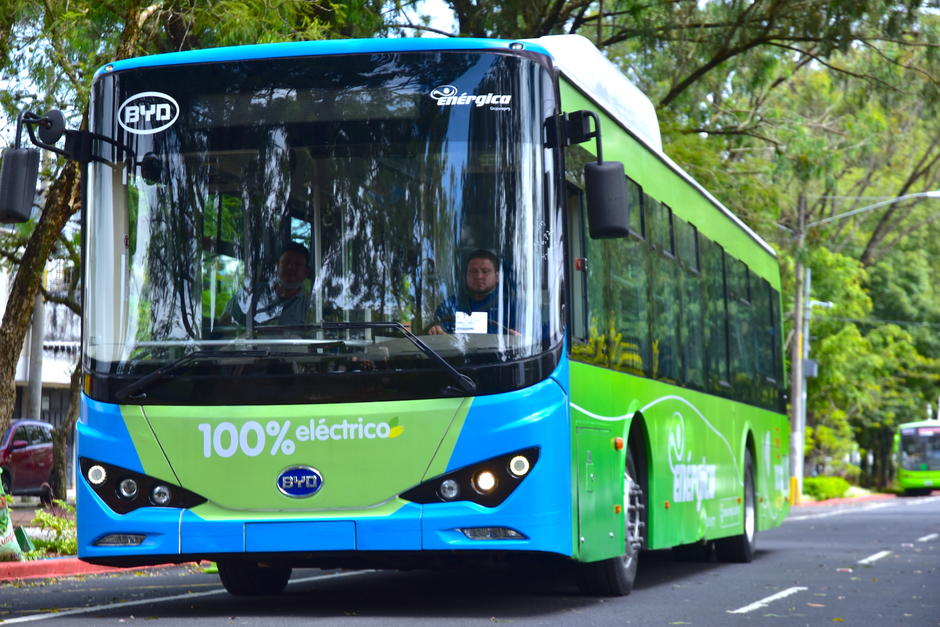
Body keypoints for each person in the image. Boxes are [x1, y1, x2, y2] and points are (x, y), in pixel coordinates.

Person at [428, 249, 518, 335]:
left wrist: (515, 337)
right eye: (474, 271)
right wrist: (436, 331)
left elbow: (523, 340)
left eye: (485, 271)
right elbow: (437, 333)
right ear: (466, 275)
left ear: (497, 276)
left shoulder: (512, 306)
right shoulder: (450, 305)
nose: (479, 276)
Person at [222, 241, 313, 327]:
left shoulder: (311, 306)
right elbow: (225, 324)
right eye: (286, 262)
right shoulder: (250, 293)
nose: (291, 267)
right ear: (277, 266)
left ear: (306, 272)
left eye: (297, 264)